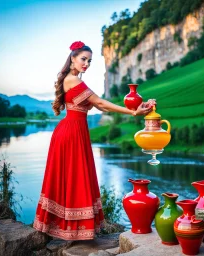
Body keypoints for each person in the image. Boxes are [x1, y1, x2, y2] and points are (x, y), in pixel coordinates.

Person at [33, 41, 153, 240]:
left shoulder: (73, 80)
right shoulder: (73, 80)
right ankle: (70, 229)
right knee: (74, 177)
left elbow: (102, 108)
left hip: (75, 131)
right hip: (71, 133)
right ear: (72, 58)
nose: (87, 63)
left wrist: (135, 108)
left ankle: (73, 228)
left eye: (90, 61)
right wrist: (132, 112)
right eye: (83, 59)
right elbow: (99, 102)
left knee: (76, 177)